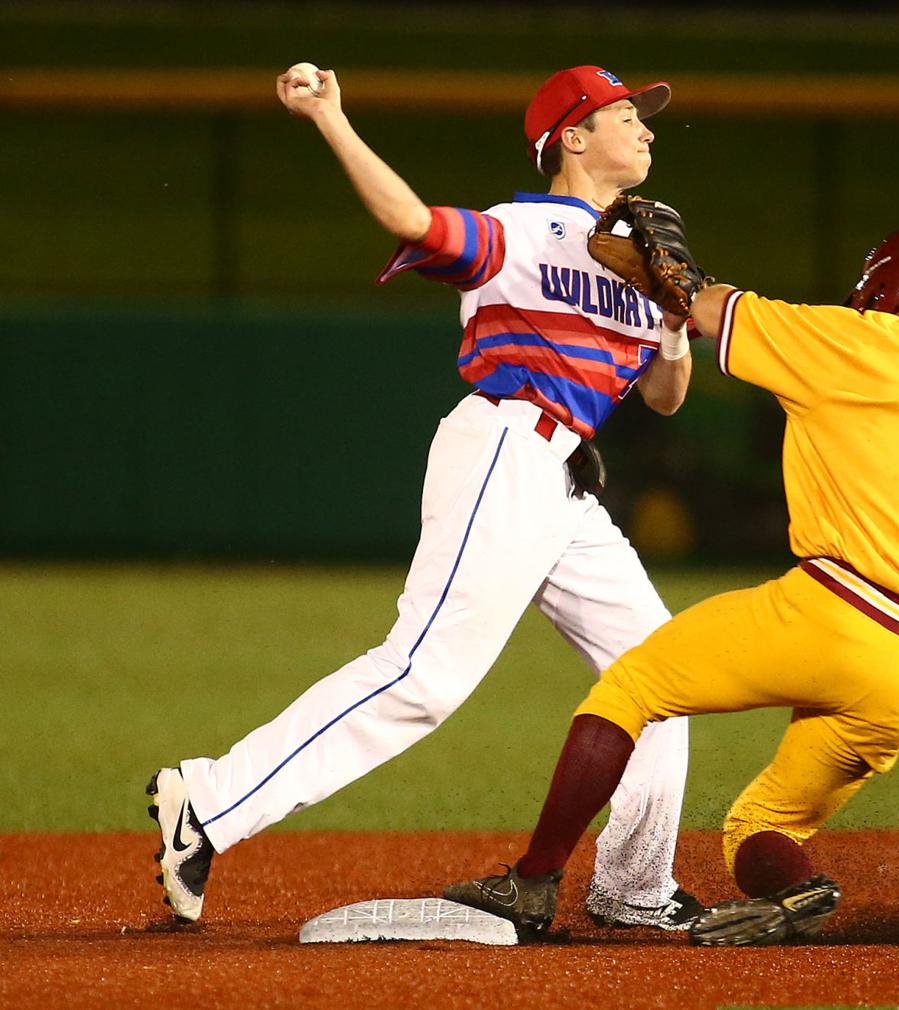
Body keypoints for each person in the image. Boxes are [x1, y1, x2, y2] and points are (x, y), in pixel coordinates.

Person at [146, 63, 702, 931]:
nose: (648, 130)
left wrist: (674, 317)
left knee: (665, 674)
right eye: (626, 115)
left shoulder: (642, 257)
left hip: (568, 485)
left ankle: (633, 886)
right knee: (425, 675)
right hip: (505, 451)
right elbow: (410, 220)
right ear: (573, 135)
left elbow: (666, 398)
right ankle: (210, 801)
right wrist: (331, 115)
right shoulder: (521, 229)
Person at [445, 223, 899, 946]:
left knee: (630, 688)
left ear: (884, 288)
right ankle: (795, 889)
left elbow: (710, 307)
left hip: (830, 607)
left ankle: (531, 881)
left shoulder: (857, 339)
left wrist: (663, 276)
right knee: (762, 825)